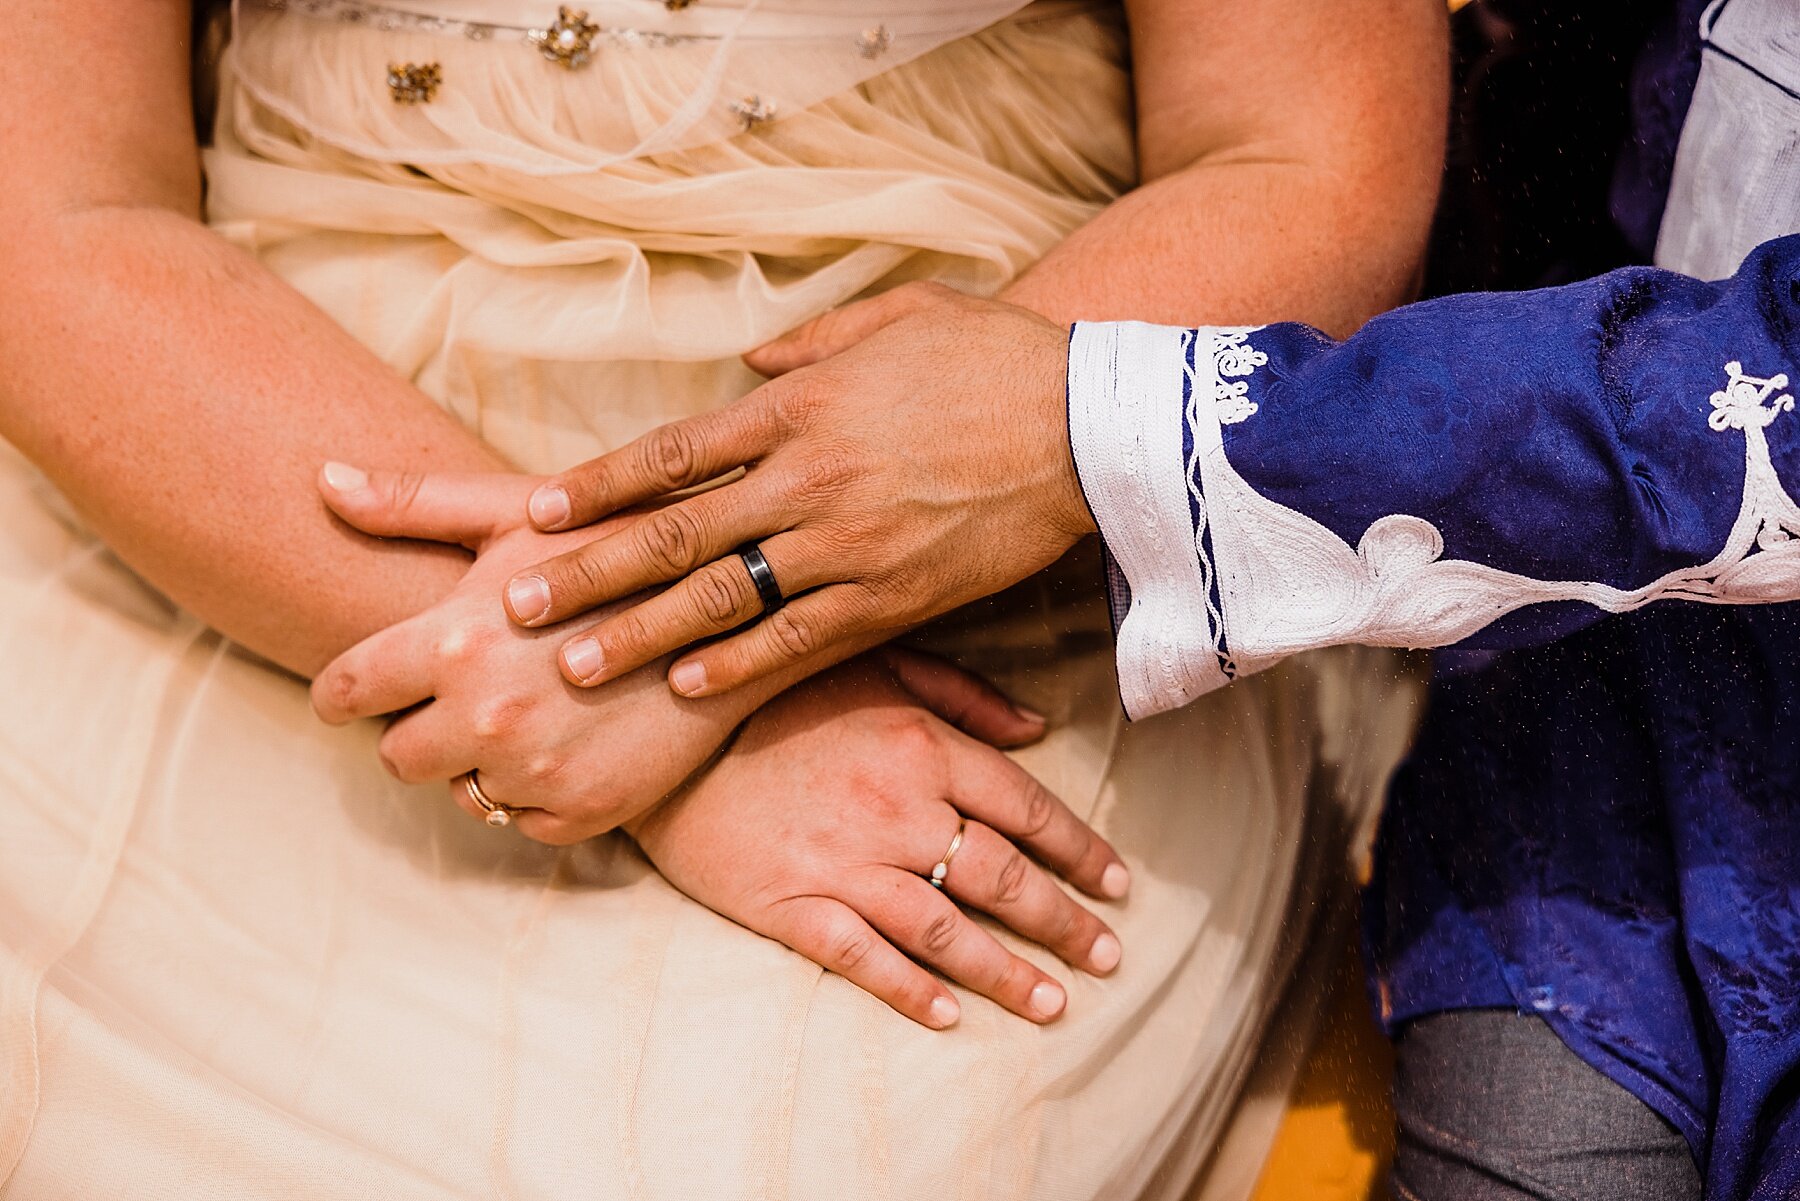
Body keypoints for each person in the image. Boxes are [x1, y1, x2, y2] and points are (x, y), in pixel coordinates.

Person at [0, 0, 1444, 1196]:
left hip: (984, 566)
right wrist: (603, 662)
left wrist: (707, 638)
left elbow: (1305, 160)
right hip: (239, 494)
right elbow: (53, 214)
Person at [485, 1, 1800, 1197]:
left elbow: (1316, 167)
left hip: (1115, 534)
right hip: (1584, 723)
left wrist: (1083, 427)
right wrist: (532, 624)